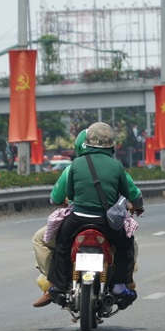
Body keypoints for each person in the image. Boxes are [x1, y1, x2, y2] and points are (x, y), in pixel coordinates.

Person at [47, 122, 144, 309]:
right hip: (107, 221)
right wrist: (137, 205)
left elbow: (71, 195)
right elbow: (131, 194)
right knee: (126, 245)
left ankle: (59, 284)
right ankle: (119, 286)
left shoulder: (75, 164)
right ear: (111, 144)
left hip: (78, 218)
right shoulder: (116, 166)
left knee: (62, 244)